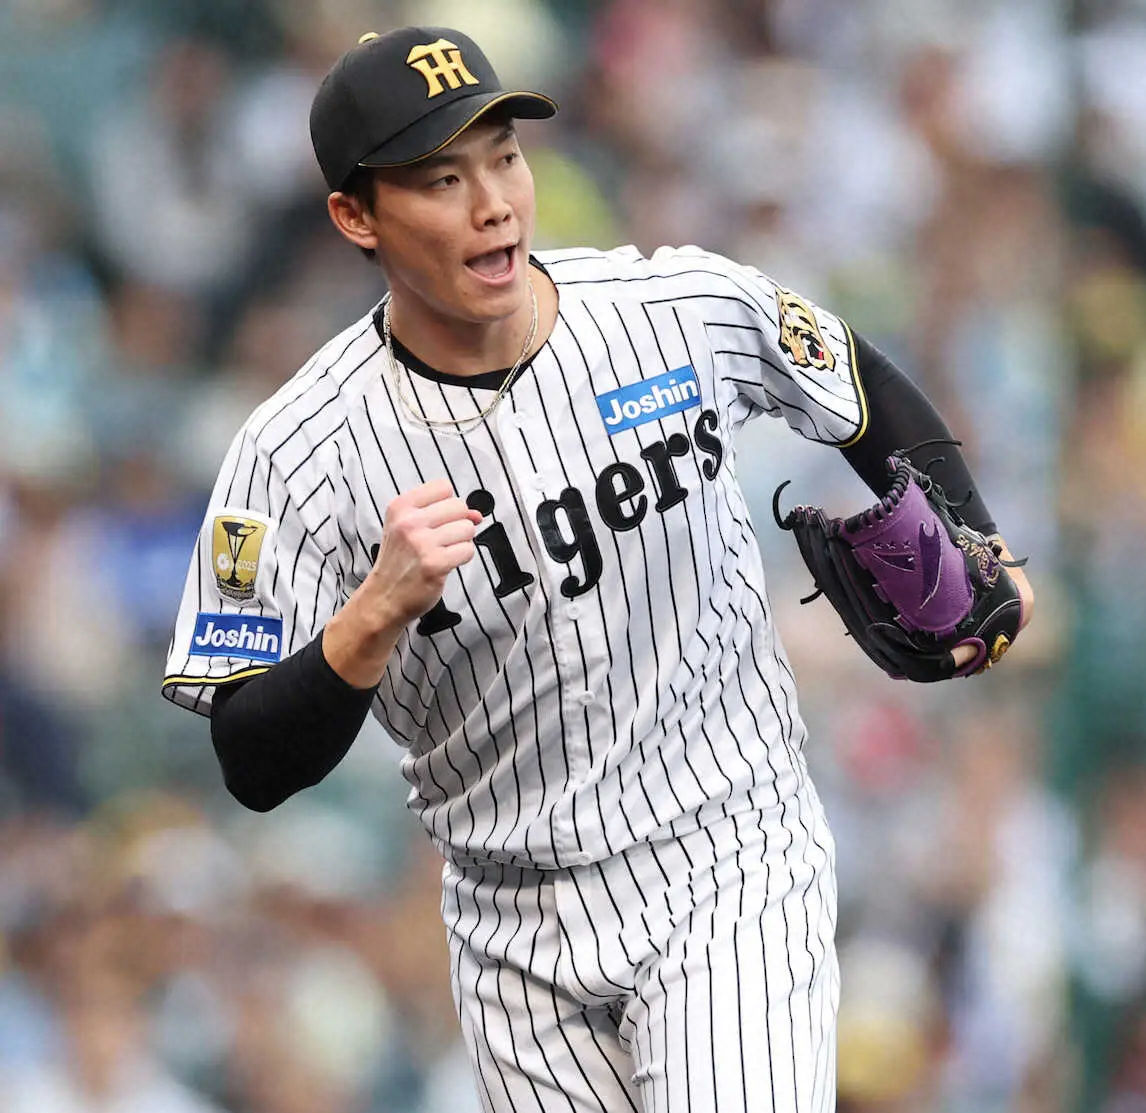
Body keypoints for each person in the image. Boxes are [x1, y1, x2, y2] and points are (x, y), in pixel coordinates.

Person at [162, 25, 1034, 1113]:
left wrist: (978, 538)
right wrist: (371, 616)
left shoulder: (670, 312)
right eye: (442, 179)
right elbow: (250, 759)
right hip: (511, 931)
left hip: (727, 854)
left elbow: (849, 373)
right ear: (356, 216)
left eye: (505, 158)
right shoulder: (297, 453)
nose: (494, 204)